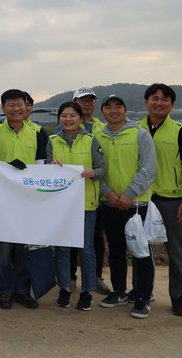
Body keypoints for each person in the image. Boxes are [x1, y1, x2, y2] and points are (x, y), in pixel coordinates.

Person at [95, 95, 157, 319]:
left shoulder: (140, 133)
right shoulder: (97, 137)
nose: (113, 111)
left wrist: (129, 194)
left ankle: (143, 298)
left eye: (118, 106)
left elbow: (148, 168)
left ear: (125, 110)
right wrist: (107, 192)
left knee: (141, 252)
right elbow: (95, 169)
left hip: (137, 204)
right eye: (108, 107)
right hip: (110, 203)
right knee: (116, 250)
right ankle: (119, 292)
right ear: (102, 112)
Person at [139, 83, 182, 317]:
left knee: (177, 251)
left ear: (172, 104)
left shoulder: (180, 131)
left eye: (165, 99)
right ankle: (143, 293)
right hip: (142, 199)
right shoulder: (135, 129)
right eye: (154, 98)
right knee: (142, 250)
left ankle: (178, 296)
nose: (159, 103)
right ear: (146, 102)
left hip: (172, 200)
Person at [0, 89, 49, 310]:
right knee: (2, 252)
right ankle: (5, 291)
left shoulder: (38, 133)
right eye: (11, 105)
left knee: (24, 251)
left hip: (28, 201)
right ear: (3, 108)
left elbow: (42, 167)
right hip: (2, 202)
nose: (16, 109)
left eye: (20, 105)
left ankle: (22, 291)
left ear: (26, 107)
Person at [46, 101, 106, 311]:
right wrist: (51, 167)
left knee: (86, 249)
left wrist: (93, 173)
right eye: (64, 115)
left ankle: (87, 291)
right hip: (61, 205)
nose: (68, 119)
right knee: (62, 249)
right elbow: (44, 169)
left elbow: (102, 168)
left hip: (86, 204)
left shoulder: (91, 140)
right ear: (59, 119)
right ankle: (64, 288)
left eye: (72, 115)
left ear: (80, 118)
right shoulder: (52, 140)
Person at [71, 87, 110, 295]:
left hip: (96, 195)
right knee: (68, 239)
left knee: (96, 239)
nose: (87, 103)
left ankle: (95, 277)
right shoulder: (64, 127)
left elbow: (103, 164)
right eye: (82, 100)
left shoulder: (102, 129)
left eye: (90, 100)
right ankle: (69, 277)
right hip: (69, 197)